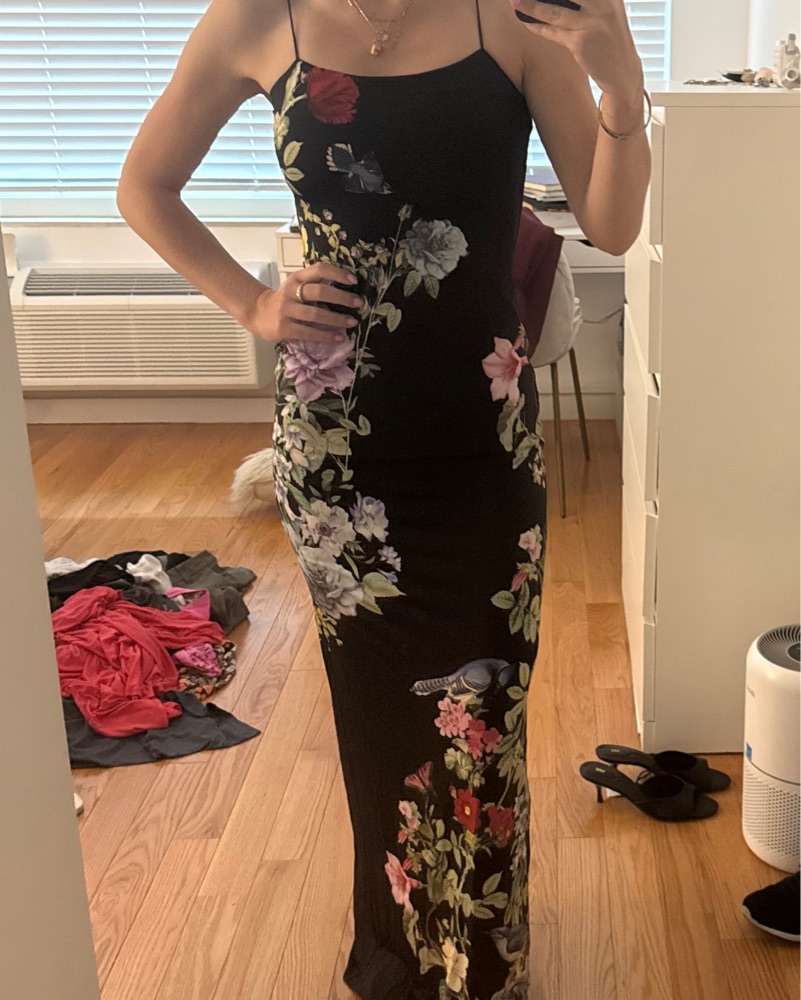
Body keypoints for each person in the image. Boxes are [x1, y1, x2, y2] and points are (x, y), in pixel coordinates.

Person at [116, 1, 650, 996]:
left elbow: (613, 223)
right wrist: (252, 303)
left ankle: (482, 967)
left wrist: (620, 84)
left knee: (484, 719)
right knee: (378, 728)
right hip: (337, 457)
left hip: (481, 447)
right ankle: (397, 960)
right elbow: (144, 186)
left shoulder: (514, 16)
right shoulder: (256, 16)